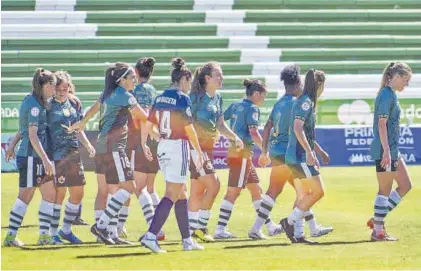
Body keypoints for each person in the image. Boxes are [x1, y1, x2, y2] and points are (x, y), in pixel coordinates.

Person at [66, 62, 149, 245]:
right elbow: (144, 117)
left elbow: (94, 109)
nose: (135, 80)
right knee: (129, 187)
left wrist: (83, 122)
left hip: (102, 147)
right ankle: (102, 226)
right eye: (132, 77)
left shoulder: (108, 94)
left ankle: (109, 232)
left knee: (110, 189)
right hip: (114, 147)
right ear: (122, 80)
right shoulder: (125, 96)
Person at [249, 65, 332, 242]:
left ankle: (259, 228)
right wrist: (315, 151)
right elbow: (299, 131)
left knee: (279, 191)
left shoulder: (279, 103)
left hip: (277, 153)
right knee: (307, 192)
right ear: (296, 84)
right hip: (292, 154)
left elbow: (268, 127)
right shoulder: (297, 103)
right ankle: (300, 226)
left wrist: (265, 151)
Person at [140, 58, 204, 253]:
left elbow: (148, 125)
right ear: (184, 78)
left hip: (163, 146)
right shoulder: (182, 98)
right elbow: (189, 128)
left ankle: (187, 240)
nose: (190, 85)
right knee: (172, 193)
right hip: (178, 146)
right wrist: (199, 152)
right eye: (189, 81)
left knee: (181, 192)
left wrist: (149, 141)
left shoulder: (159, 97)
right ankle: (151, 236)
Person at [214, 79, 283, 239]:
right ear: (256, 94)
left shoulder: (236, 105)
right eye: (263, 96)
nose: (263, 100)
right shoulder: (252, 109)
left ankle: (269, 226)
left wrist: (229, 136)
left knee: (256, 189)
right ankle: (220, 230)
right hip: (242, 154)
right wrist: (265, 152)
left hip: (238, 153)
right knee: (233, 191)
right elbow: (253, 133)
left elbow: (220, 122)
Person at [188, 62, 243, 242]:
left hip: (208, 149)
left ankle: (189, 230)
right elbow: (185, 123)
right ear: (207, 78)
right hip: (196, 149)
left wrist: (233, 136)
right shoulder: (195, 98)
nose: (222, 78)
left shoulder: (218, 98)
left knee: (197, 190)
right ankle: (201, 227)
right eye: (218, 75)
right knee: (215, 185)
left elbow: (220, 124)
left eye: (222, 74)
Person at [4, 68, 56, 246]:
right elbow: (32, 136)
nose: (54, 89)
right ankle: (10, 236)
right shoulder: (34, 105)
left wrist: (11, 145)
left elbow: (23, 129)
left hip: (36, 157)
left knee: (50, 194)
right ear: (45, 85)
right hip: (31, 157)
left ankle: (44, 236)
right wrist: (46, 159)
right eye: (52, 85)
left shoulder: (34, 101)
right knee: (25, 196)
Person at [279, 69, 328, 243]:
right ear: (319, 85)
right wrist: (309, 152)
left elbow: (305, 132)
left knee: (303, 195)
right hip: (299, 156)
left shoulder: (302, 101)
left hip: (294, 155)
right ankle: (289, 222)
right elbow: (298, 128)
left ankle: (298, 235)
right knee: (318, 191)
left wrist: (318, 151)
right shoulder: (306, 102)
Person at [47, 71, 96, 244]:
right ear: (54, 89)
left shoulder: (74, 103)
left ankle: (65, 229)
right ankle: (52, 232)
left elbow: (78, 128)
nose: (61, 92)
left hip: (73, 153)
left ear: (69, 88)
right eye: (58, 89)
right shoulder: (48, 105)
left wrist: (88, 144)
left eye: (65, 89)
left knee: (78, 192)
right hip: (57, 155)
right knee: (59, 193)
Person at [368, 62, 413, 241]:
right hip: (386, 150)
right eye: (406, 80)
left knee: (406, 185)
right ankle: (378, 231)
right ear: (396, 76)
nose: (407, 84)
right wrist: (386, 150)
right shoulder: (386, 95)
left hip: (393, 149)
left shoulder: (390, 94)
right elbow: (381, 124)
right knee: (384, 190)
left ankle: (377, 220)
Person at [125, 57, 164, 240]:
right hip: (156, 140)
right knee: (150, 187)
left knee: (138, 188)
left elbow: (144, 117)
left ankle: (154, 229)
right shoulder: (154, 90)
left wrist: (143, 141)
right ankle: (158, 227)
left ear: (136, 72)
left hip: (142, 140)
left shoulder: (138, 90)